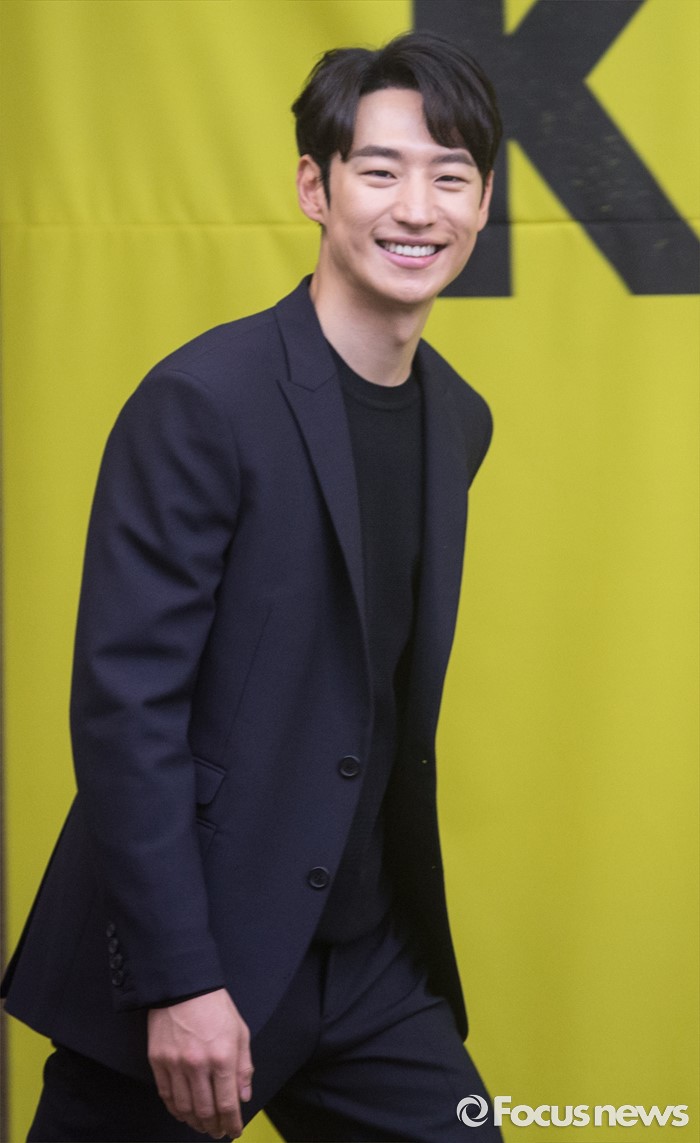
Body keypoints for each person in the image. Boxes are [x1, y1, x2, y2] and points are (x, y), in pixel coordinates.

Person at [2, 30, 503, 1143]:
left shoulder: (457, 420)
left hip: (368, 961)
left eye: (450, 177)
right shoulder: (202, 401)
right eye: (380, 170)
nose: (416, 208)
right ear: (314, 188)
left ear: (482, 205)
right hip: (199, 957)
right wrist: (179, 979)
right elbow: (127, 710)